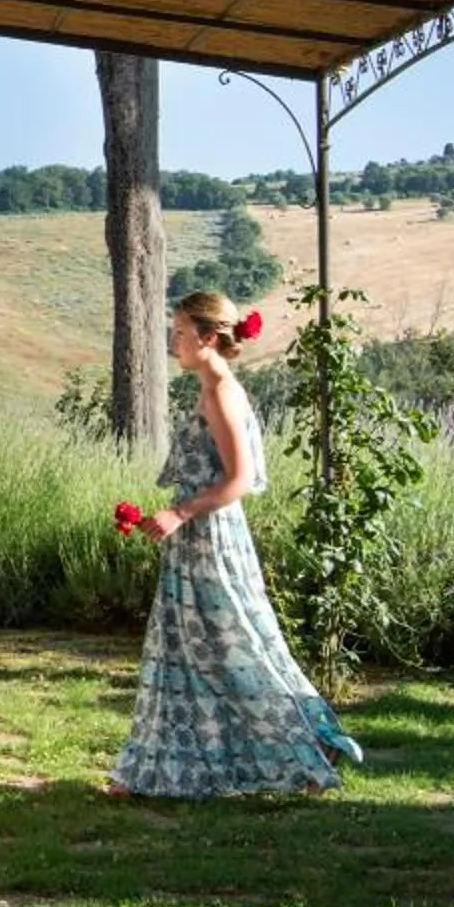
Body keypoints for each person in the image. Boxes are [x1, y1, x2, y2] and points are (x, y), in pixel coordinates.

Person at [107, 290, 365, 798]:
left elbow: (240, 479)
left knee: (231, 645)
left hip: (209, 539)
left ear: (208, 337)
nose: (172, 342)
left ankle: (304, 752)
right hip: (197, 537)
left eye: (180, 333)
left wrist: (180, 512)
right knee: (189, 650)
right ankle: (157, 770)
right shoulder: (211, 388)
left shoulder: (222, 392)